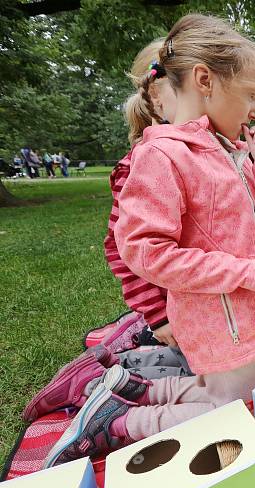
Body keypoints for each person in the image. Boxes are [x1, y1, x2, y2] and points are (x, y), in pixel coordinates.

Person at [36, 14, 255, 467]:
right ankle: (120, 422)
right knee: (237, 413)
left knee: (247, 395)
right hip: (217, 318)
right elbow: (143, 249)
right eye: (251, 95)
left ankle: (141, 388)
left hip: (246, 313)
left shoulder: (229, 152)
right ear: (205, 79)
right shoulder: (161, 154)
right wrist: (245, 272)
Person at [103, 38, 179, 351]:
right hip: (173, 312)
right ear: (159, 99)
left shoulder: (203, 155)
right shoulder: (138, 167)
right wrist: (158, 316)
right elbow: (121, 249)